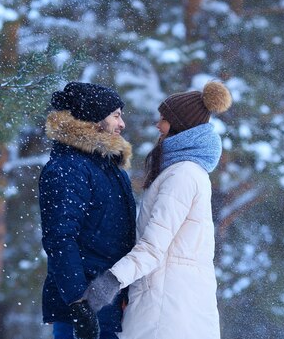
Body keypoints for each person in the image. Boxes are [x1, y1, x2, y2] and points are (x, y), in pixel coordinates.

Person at [82, 81, 232, 339]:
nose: (157, 125)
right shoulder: (183, 171)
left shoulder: (182, 175)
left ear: (180, 126)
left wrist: (111, 281)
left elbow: (153, 246)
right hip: (175, 299)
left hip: (166, 306)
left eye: (163, 119)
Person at [38, 81, 137, 339]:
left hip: (108, 308)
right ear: (94, 119)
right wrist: (78, 303)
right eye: (115, 115)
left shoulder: (109, 167)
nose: (122, 124)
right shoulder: (68, 168)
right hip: (83, 312)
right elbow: (60, 238)